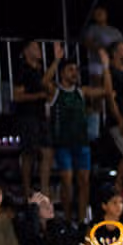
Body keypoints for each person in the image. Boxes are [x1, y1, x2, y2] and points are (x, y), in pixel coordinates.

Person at [44, 46, 108, 218]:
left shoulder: (82, 91)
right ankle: (66, 218)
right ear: (62, 73)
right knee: (66, 181)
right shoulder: (56, 91)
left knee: (84, 182)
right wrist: (56, 60)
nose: (75, 73)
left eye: (76, 70)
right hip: (63, 144)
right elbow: (44, 83)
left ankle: (81, 220)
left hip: (82, 143)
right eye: (70, 70)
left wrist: (106, 67)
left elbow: (106, 91)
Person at [13, 40, 53, 201]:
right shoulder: (23, 70)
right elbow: (17, 96)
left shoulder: (39, 70)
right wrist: (39, 96)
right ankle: (26, 188)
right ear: (26, 51)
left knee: (47, 151)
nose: (39, 50)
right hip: (27, 115)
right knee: (29, 152)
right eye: (35, 47)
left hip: (40, 115)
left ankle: (44, 189)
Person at [81, 6, 123, 80]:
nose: (99, 14)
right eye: (97, 13)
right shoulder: (92, 28)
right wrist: (100, 49)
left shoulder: (114, 30)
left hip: (114, 63)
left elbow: (122, 45)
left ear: (106, 14)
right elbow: (87, 42)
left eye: (101, 12)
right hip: (98, 62)